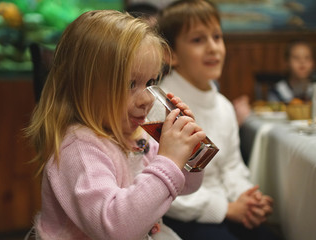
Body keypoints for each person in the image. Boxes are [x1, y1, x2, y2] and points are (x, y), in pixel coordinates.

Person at [24, 10, 207, 240]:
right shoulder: (79, 149)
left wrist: (189, 154)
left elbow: (185, 187)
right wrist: (168, 162)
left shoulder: (137, 134)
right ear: (84, 87)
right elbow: (116, 228)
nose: (147, 99)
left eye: (150, 82)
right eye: (131, 83)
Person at [157, 1, 279, 239]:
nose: (213, 48)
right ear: (170, 54)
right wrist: (225, 209)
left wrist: (248, 199)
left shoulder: (223, 105)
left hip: (227, 208)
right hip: (182, 215)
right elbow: (161, 182)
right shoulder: (162, 105)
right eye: (197, 40)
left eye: (217, 37)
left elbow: (232, 166)